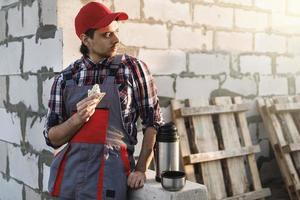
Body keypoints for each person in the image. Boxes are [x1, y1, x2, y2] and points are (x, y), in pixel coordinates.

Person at [43, 2, 163, 199]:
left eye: (116, 31)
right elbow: (52, 138)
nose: (116, 39)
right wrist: (77, 119)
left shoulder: (133, 69)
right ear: (86, 40)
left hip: (112, 178)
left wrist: (141, 169)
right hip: (71, 181)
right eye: (107, 35)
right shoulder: (65, 78)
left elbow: (153, 122)